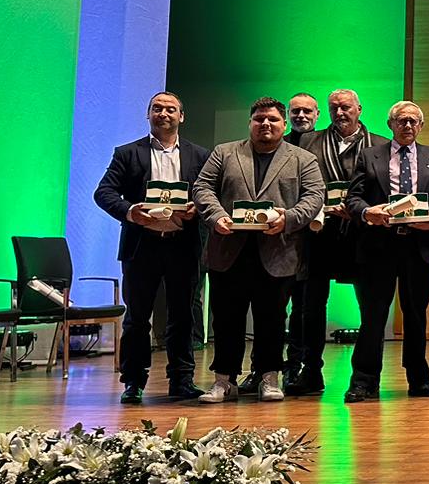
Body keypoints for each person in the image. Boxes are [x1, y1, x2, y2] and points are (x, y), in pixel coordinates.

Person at [190, 96, 325, 402]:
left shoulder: (303, 159)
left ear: (284, 124)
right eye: (259, 119)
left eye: (273, 119)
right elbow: (202, 188)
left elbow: (316, 195)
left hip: (277, 252)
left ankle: (269, 377)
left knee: (272, 320)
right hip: (229, 249)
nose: (266, 124)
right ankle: (224, 380)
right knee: (226, 320)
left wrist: (288, 218)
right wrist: (216, 216)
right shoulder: (224, 153)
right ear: (250, 123)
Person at [92, 90, 210, 403]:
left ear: (181, 117)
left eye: (171, 109)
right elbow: (103, 193)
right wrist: (131, 212)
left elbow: (210, 193)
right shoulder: (127, 153)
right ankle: (133, 382)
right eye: (157, 108)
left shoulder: (200, 155)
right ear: (148, 115)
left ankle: (182, 381)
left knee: (183, 316)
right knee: (136, 319)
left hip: (182, 246)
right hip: (140, 247)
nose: (164, 114)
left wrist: (197, 207)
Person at [344, 100, 429, 403]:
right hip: (379, 246)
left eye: (414, 121)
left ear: (421, 126)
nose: (408, 126)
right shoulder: (369, 156)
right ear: (390, 124)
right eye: (402, 121)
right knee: (373, 316)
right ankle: (364, 381)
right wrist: (367, 213)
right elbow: (354, 199)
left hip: (420, 247)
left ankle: (418, 379)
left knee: (416, 316)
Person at [288, 87, 384, 395]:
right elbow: (300, 186)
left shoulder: (380, 145)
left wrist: (359, 209)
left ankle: (364, 377)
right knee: (310, 306)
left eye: (345, 107)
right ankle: (310, 370)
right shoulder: (307, 142)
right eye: (334, 108)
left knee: (370, 308)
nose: (340, 113)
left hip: (363, 236)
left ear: (359, 109)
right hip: (319, 234)